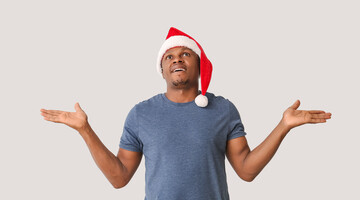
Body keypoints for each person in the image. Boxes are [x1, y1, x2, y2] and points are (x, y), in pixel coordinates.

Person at [40, 27, 332, 200]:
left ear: (198, 64)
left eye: (185, 54)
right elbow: (120, 178)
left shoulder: (224, 110)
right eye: (169, 56)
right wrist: (85, 130)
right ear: (163, 69)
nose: (176, 58)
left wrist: (283, 126)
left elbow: (246, 170)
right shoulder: (140, 114)